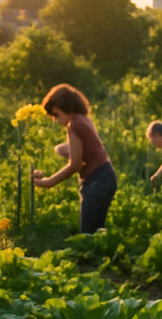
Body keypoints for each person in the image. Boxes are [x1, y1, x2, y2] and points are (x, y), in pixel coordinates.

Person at [32, 84, 117, 234]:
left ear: (65, 106)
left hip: (96, 180)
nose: (56, 120)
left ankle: (91, 258)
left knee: (88, 236)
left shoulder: (74, 125)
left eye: (56, 114)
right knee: (96, 233)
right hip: (105, 176)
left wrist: (48, 182)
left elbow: (76, 164)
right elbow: (85, 150)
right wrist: (59, 149)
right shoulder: (83, 120)